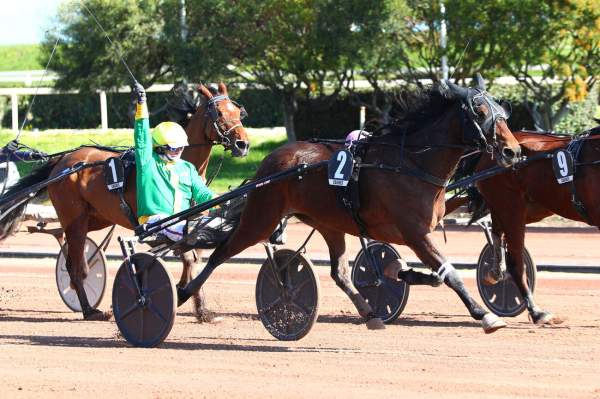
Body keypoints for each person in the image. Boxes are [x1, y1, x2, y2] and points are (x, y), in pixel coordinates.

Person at [133, 83, 214, 242]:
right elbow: (142, 138)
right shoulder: (147, 163)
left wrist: (220, 202)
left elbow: (201, 193)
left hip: (183, 221)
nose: (178, 151)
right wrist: (142, 105)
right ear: (160, 148)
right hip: (156, 221)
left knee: (221, 225)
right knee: (191, 230)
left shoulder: (187, 168)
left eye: (181, 147)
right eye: (173, 148)